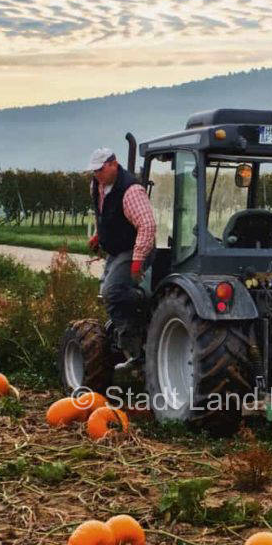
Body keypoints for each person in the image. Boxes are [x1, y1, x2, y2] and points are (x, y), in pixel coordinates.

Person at [87, 147, 156, 374]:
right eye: (94, 170)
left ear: (113, 164)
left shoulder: (131, 190)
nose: (97, 174)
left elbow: (147, 226)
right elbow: (104, 214)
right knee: (105, 293)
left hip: (134, 249)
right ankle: (140, 309)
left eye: (100, 169)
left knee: (113, 292)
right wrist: (100, 235)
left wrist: (137, 262)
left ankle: (135, 353)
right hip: (116, 250)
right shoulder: (97, 186)